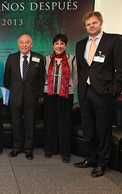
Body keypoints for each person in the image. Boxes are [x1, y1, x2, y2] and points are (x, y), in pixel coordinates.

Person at [74, 11, 122, 177]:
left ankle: (102, 162)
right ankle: (91, 157)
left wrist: (113, 89)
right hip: (85, 92)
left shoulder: (114, 40)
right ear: (85, 27)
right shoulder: (80, 44)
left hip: (103, 93)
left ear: (101, 23)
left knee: (104, 130)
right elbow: (85, 69)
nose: (91, 26)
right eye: (88, 24)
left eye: (94, 23)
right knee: (88, 129)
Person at [4, 34, 44, 160]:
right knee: (16, 123)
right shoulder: (11, 58)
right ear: (18, 44)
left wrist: (40, 96)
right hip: (15, 97)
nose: (24, 45)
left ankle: (28, 148)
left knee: (29, 123)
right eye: (21, 42)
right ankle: (16, 147)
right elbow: (7, 79)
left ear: (31, 44)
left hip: (31, 97)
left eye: (27, 42)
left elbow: (41, 79)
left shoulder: (39, 57)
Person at [43, 34, 77, 163]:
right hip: (49, 94)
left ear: (66, 46)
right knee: (50, 122)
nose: (59, 46)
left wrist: (69, 87)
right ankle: (50, 148)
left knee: (65, 123)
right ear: (53, 45)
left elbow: (75, 77)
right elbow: (43, 76)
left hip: (65, 95)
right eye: (56, 43)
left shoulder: (72, 59)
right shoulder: (46, 59)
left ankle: (65, 152)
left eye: (62, 43)